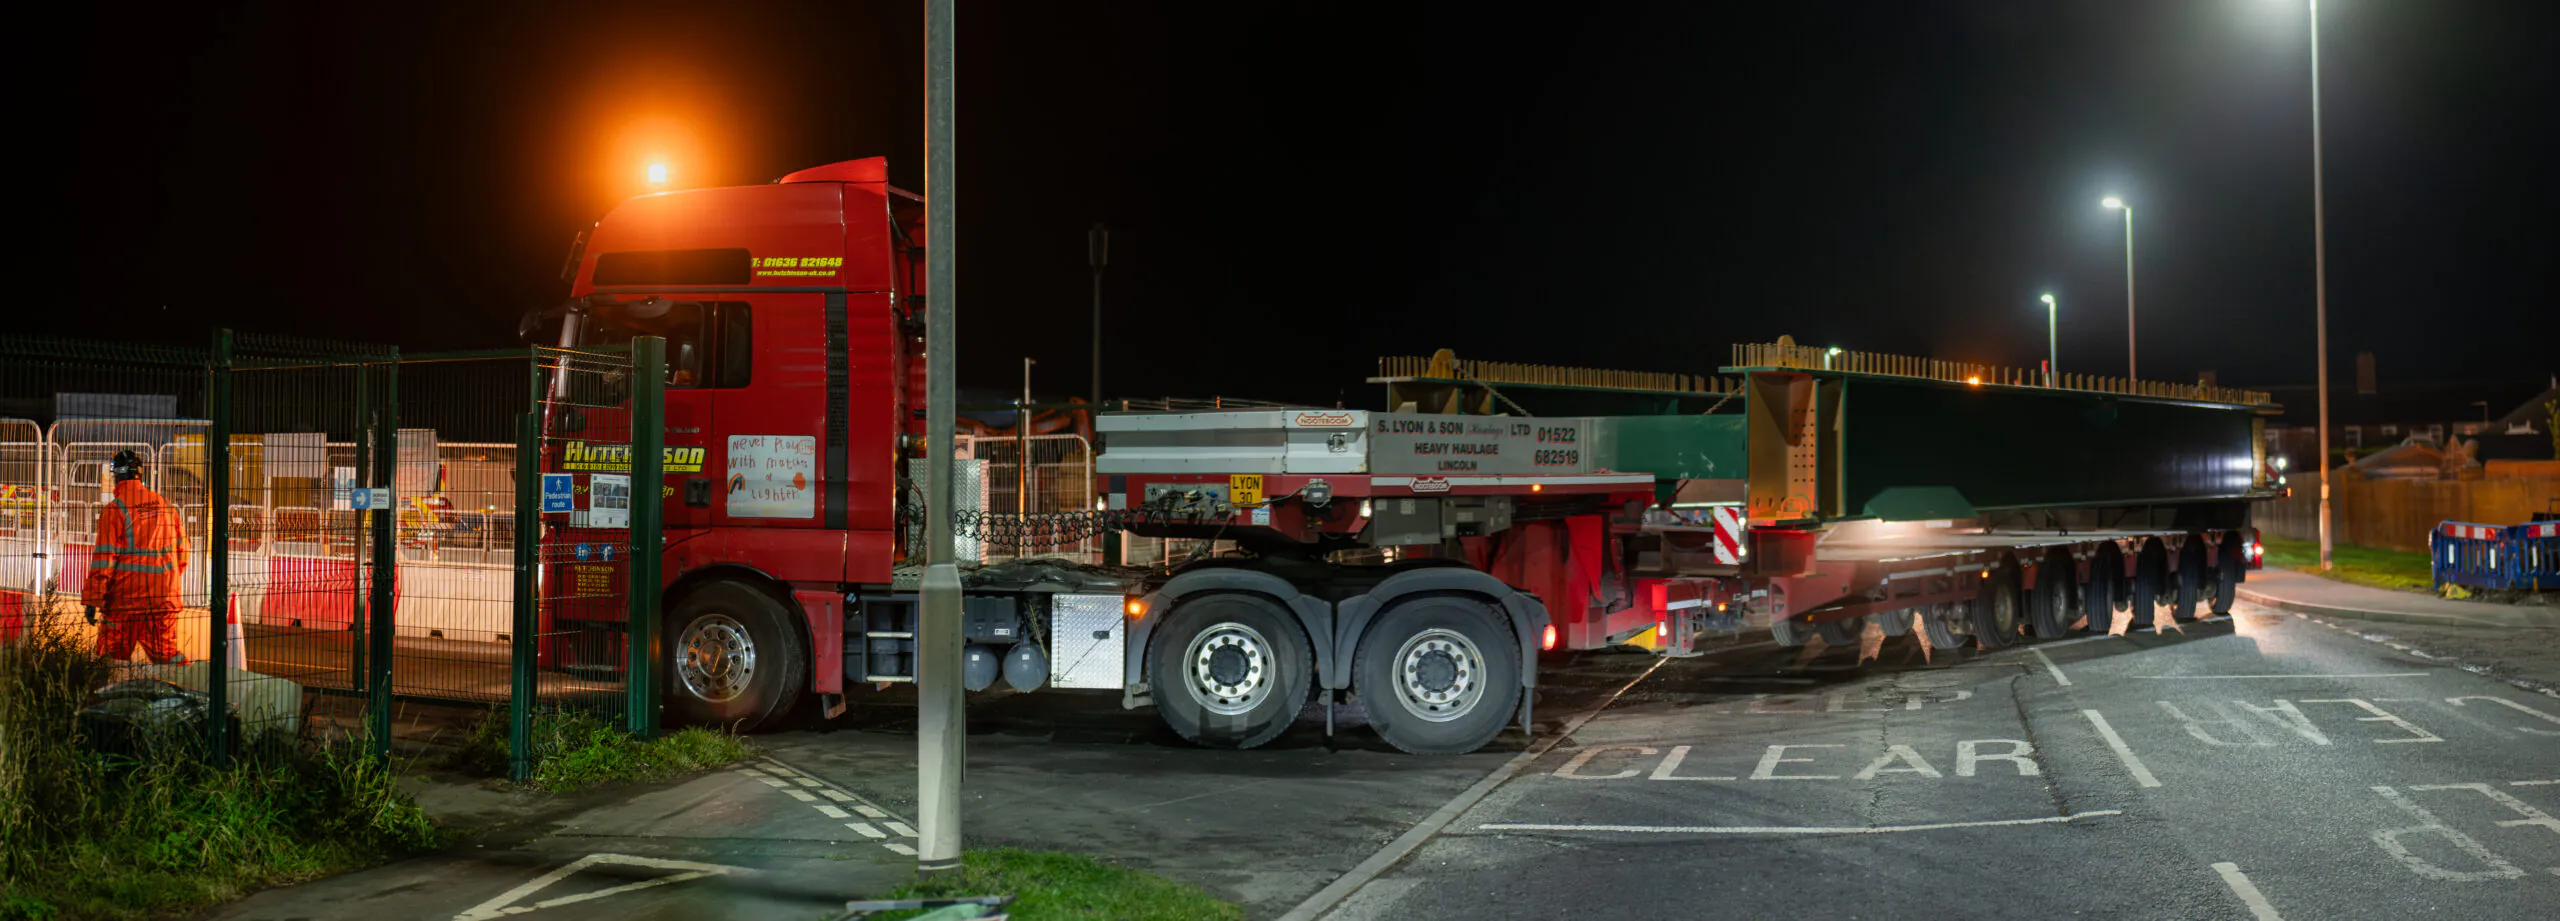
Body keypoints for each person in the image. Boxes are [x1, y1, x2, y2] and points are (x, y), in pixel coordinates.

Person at [83, 449, 190, 664]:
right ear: (140, 474)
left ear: (117, 476)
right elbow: (183, 550)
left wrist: (93, 599)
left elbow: (105, 559)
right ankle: (192, 691)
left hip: (126, 602)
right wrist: (166, 581)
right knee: (168, 656)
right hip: (163, 599)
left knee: (110, 657)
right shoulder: (166, 505)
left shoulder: (115, 510)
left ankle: (111, 696)